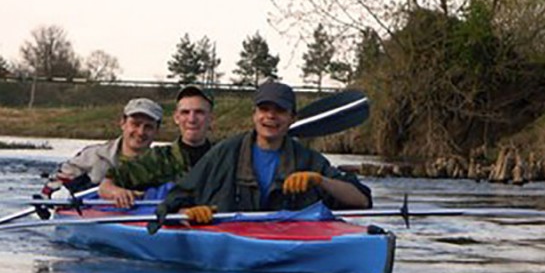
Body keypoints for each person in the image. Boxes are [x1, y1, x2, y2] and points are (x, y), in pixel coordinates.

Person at [158, 81, 371, 225]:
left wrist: (321, 181)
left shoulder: (307, 159)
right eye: (264, 109)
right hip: (229, 241)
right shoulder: (225, 152)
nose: (270, 117)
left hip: (286, 243)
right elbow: (175, 198)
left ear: (292, 118)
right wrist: (185, 213)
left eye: (279, 111)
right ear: (254, 114)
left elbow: (361, 200)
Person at [99, 85, 216, 207]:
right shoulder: (158, 158)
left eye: (199, 112)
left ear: (211, 118)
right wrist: (117, 193)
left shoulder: (225, 157)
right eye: (185, 112)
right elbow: (107, 184)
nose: (192, 119)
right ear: (176, 118)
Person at [41, 98, 163, 200]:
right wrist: (50, 195)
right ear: (123, 123)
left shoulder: (165, 164)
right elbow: (56, 183)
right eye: (135, 124)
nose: (141, 132)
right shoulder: (92, 155)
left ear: (157, 130)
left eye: (148, 127)